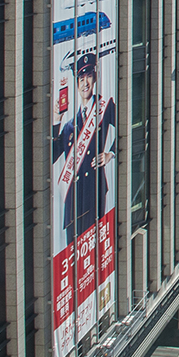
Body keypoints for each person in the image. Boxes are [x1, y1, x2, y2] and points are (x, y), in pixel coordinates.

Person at [53, 52, 117, 246]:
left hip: (94, 191)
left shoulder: (105, 107)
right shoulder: (69, 126)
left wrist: (110, 154)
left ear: (95, 77)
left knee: (94, 248)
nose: (85, 83)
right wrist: (56, 119)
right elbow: (50, 155)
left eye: (88, 76)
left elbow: (127, 128)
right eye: (81, 78)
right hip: (73, 202)